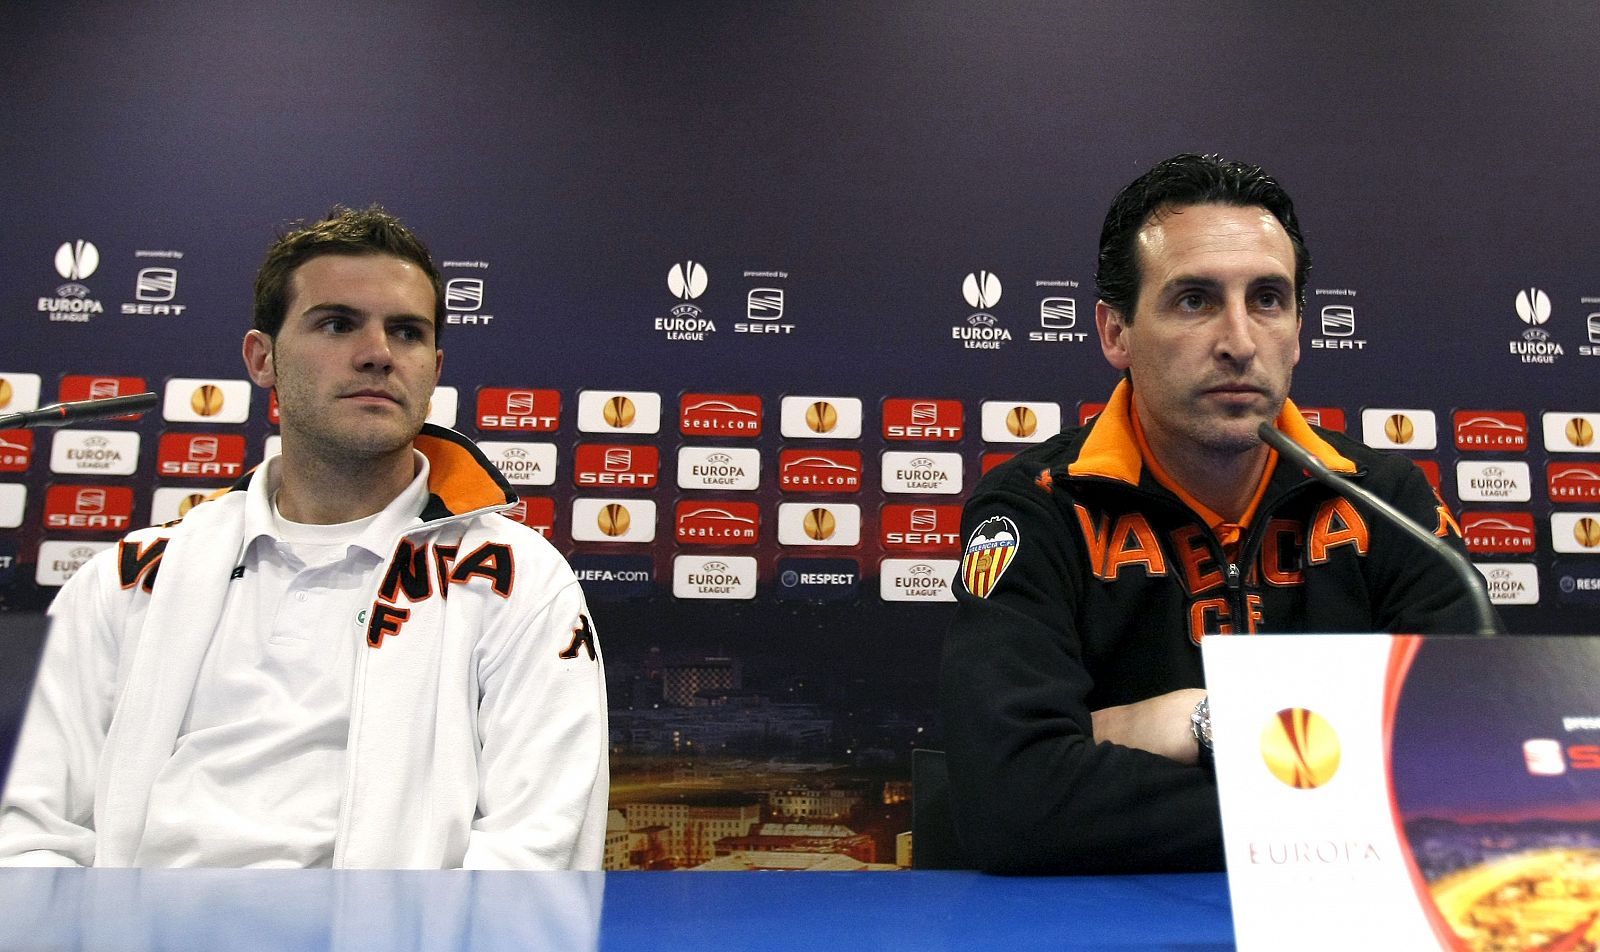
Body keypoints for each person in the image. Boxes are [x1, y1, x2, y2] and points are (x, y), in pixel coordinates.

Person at [0, 206, 609, 869]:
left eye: (405, 333)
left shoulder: (519, 580)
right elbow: (29, 837)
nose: (377, 353)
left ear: (433, 370)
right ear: (263, 358)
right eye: (338, 323)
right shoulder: (122, 581)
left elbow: (533, 856)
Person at [940, 154, 1495, 875]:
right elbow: (1013, 801)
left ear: (1297, 330)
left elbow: (1480, 766)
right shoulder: (1039, 505)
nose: (1238, 341)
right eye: (1195, 300)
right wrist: (1346, 786)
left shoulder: (1386, 501)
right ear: (1115, 333)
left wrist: (1205, 721)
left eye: (1267, 299)